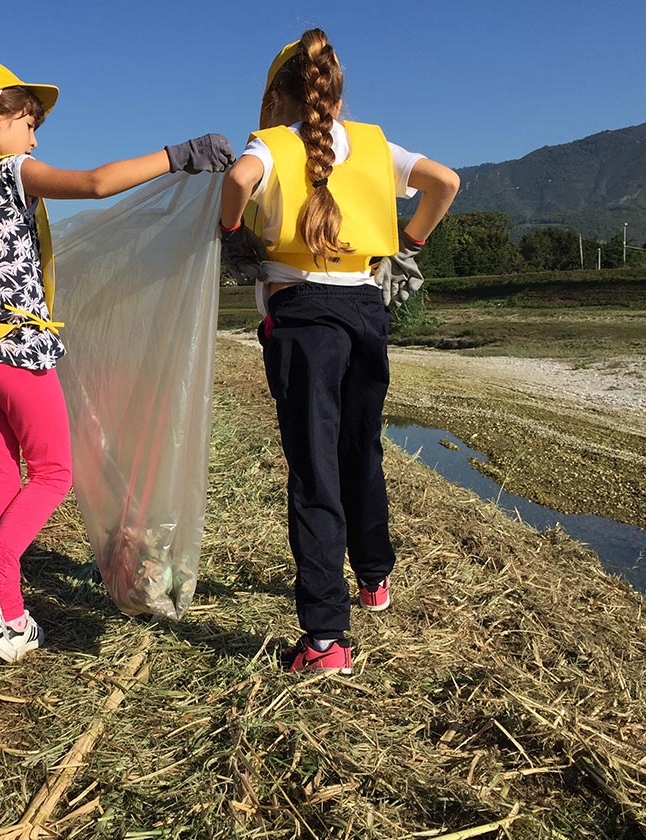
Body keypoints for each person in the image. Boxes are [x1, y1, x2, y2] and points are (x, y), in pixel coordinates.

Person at [0, 61, 233, 663]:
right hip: (14, 350)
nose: (35, 139)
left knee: (1, 484)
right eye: (29, 123)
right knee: (55, 472)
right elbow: (95, 184)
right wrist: (176, 156)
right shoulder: (9, 171)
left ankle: (6, 613)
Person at [220, 30, 459, 674]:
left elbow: (239, 181)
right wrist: (406, 242)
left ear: (279, 95)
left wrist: (233, 229)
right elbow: (446, 181)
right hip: (365, 309)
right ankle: (374, 579)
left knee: (314, 467)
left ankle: (326, 639)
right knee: (360, 446)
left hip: (302, 318)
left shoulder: (269, 145)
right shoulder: (378, 145)